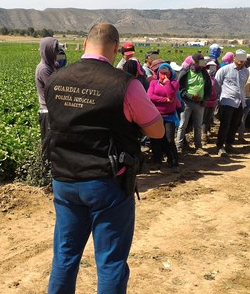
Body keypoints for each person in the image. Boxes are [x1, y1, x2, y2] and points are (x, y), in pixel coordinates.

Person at [45, 23, 164, 293]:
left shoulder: (56, 79)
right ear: (115, 48)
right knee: (110, 262)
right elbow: (156, 131)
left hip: (64, 178)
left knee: (64, 258)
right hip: (106, 182)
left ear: (85, 45)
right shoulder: (124, 85)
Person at [214, 49, 249, 157]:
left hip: (240, 101)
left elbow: (243, 85)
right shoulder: (224, 70)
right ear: (234, 57)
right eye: (239, 58)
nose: (241, 61)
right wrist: (219, 99)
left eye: (243, 58)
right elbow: (216, 84)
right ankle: (220, 146)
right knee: (225, 124)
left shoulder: (246, 71)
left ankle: (229, 144)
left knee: (235, 124)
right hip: (227, 100)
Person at [176, 53, 212, 155]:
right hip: (186, 103)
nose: (201, 65)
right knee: (182, 125)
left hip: (200, 103)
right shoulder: (185, 72)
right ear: (194, 62)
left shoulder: (204, 72)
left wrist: (206, 98)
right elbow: (180, 89)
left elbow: (208, 87)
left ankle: (198, 147)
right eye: (199, 62)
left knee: (198, 126)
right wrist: (191, 96)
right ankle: (178, 147)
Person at [148, 63, 181, 167]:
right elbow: (150, 96)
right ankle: (157, 160)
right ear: (158, 73)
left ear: (170, 73)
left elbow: (171, 96)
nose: (164, 75)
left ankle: (173, 160)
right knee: (155, 138)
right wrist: (164, 100)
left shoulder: (174, 83)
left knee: (169, 139)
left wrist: (167, 83)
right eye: (162, 73)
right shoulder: (153, 83)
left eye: (167, 73)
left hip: (169, 116)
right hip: (156, 115)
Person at [36, 37, 60, 175]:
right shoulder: (44, 69)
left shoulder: (50, 66)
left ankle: (51, 172)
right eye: (54, 50)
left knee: (53, 143)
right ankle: (45, 174)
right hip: (47, 111)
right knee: (48, 144)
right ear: (48, 51)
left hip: (51, 111)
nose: (57, 52)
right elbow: (55, 88)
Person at [202, 59, 219, 143]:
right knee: (203, 120)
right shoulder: (203, 77)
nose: (212, 70)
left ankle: (205, 134)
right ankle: (202, 136)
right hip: (205, 101)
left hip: (213, 102)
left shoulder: (214, 78)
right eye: (210, 67)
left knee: (208, 119)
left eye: (213, 68)